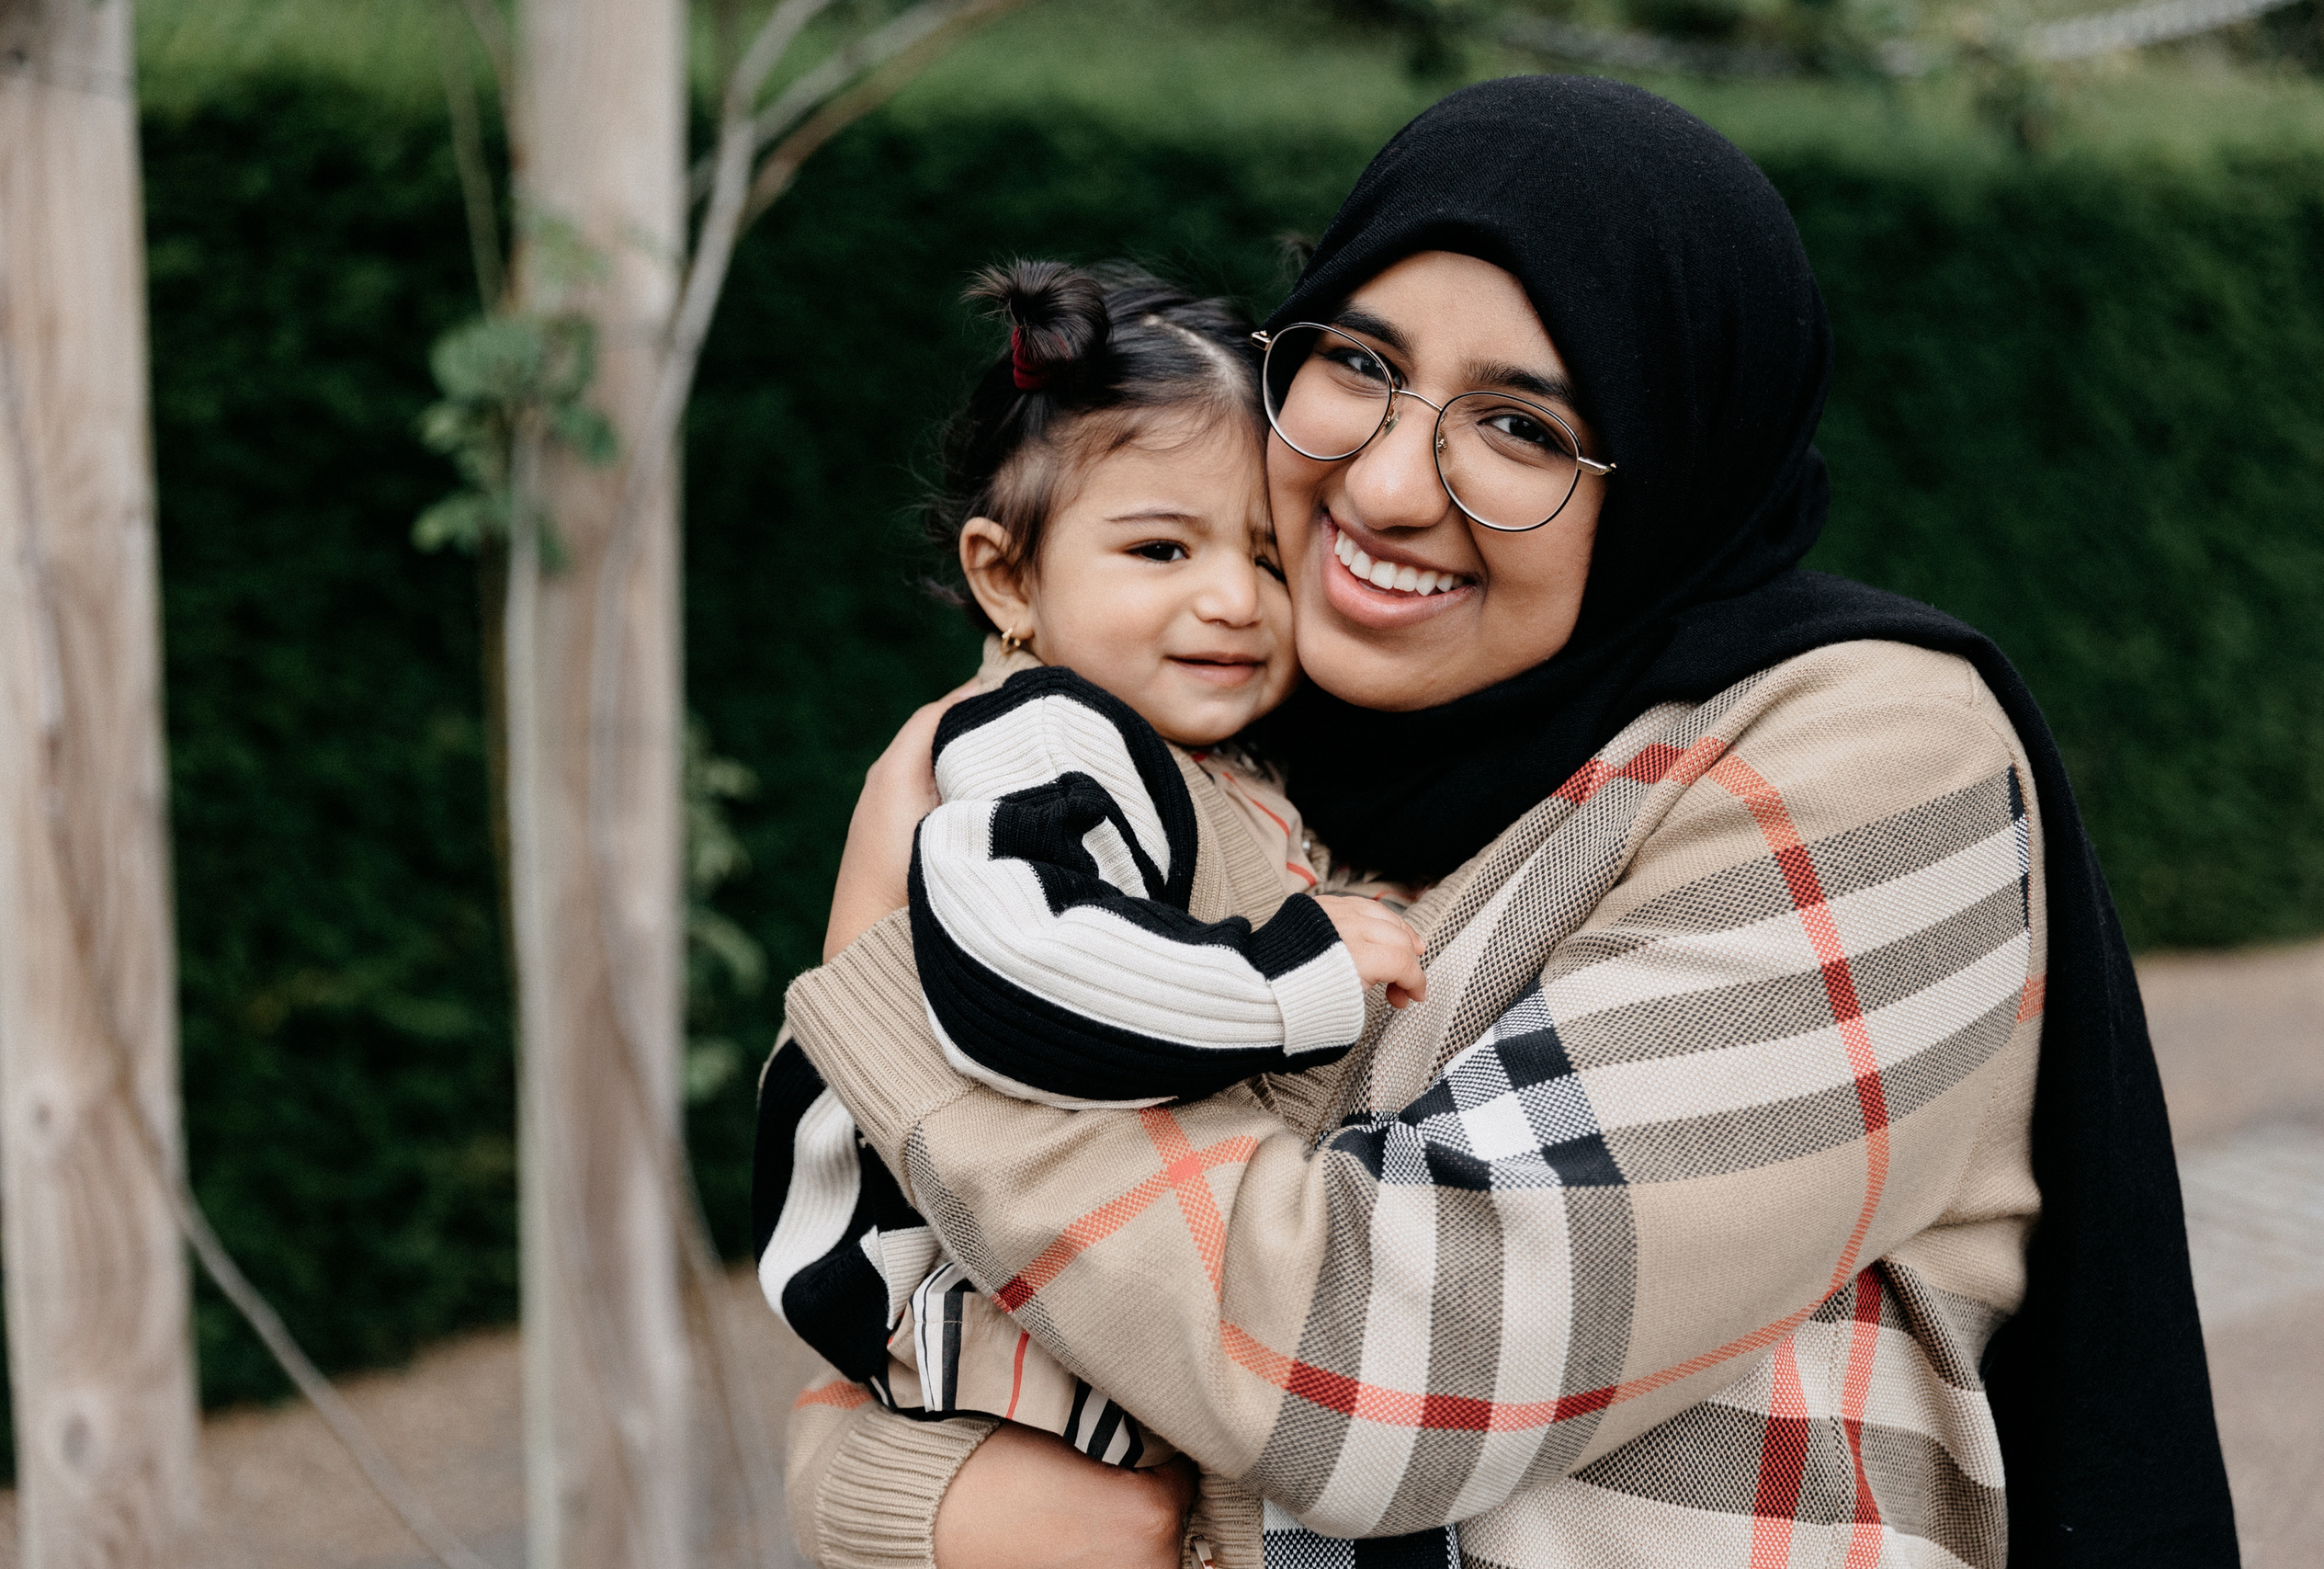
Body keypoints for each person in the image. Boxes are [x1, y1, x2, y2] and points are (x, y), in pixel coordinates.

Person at [774, 77, 2237, 1569]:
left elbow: (1381, 1376)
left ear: (1676, 471)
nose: (1392, 481)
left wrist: (920, 991)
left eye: (1525, 427)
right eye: (1355, 361)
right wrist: (892, 1491)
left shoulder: (1869, 761)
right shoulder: (1225, 766)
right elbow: (923, 1328)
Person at [754, 260, 1427, 1477]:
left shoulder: (1202, 756)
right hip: (934, 1286)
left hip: (1037, 1280)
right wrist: (1290, 979)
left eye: (1272, 558)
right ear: (1007, 577)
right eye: (1162, 549)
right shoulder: (1041, 730)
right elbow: (1020, 971)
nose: (1232, 599)